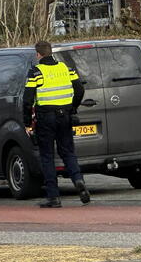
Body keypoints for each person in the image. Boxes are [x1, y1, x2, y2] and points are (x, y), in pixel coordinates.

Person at [23, 41, 90, 208]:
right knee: (68, 152)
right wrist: (72, 108)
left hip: (46, 118)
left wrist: (27, 124)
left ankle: (54, 197)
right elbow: (80, 90)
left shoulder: (36, 72)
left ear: (38, 54)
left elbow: (27, 100)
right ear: (51, 52)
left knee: (47, 156)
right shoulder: (66, 68)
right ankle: (78, 180)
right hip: (65, 116)